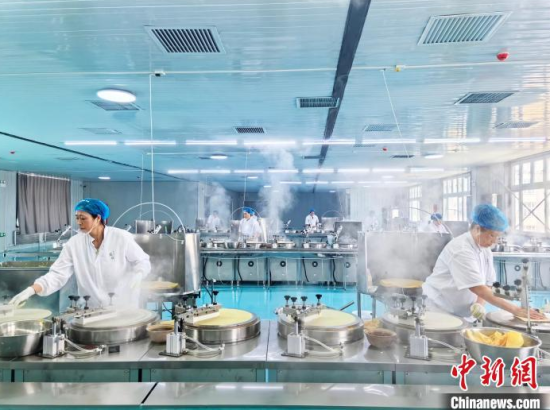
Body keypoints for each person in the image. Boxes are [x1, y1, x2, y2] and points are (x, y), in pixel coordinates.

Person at [9, 198, 151, 309]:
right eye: (77, 218)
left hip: (123, 306)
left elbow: (142, 261)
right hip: (91, 309)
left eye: (83, 218)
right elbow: (57, 274)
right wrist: (30, 290)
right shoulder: (74, 243)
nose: (79, 222)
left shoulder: (121, 237)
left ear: (98, 218)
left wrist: (138, 275)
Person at [423, 204, 545, 321]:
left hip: (460, 312)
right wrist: (516, 310)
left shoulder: (485, 249)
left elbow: (487, 284)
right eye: (492, 235)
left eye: (497, 236)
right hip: (439, 309)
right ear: (477, 229)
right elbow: (478, 288)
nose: (494, 241)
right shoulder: (461, 250)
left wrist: (479, 304)